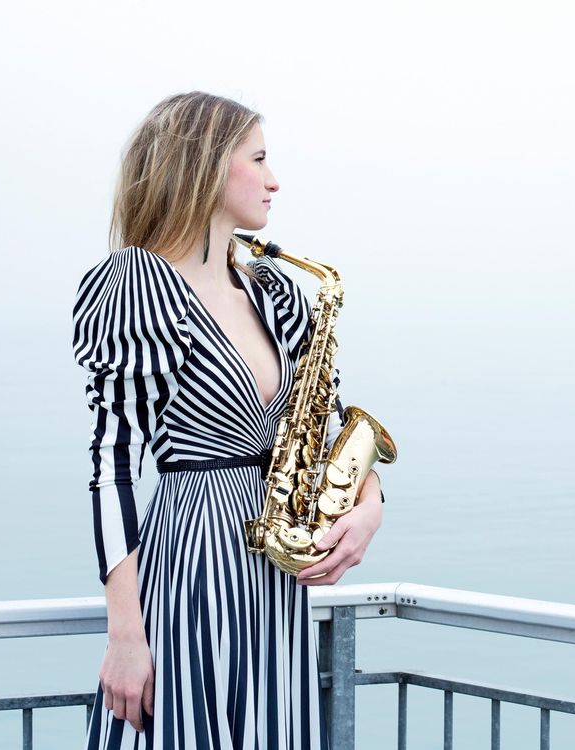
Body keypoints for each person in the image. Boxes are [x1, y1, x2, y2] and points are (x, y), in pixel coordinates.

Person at [73, 91, 385, 749]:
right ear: (208, 167)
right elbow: (113, 466)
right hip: (190, 563)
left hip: (275, 579)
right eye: (260, 159)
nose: (275, 180)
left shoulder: (276, 290)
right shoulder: (137, 284)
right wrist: (125, 634)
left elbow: (328, 426)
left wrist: (368, 507)